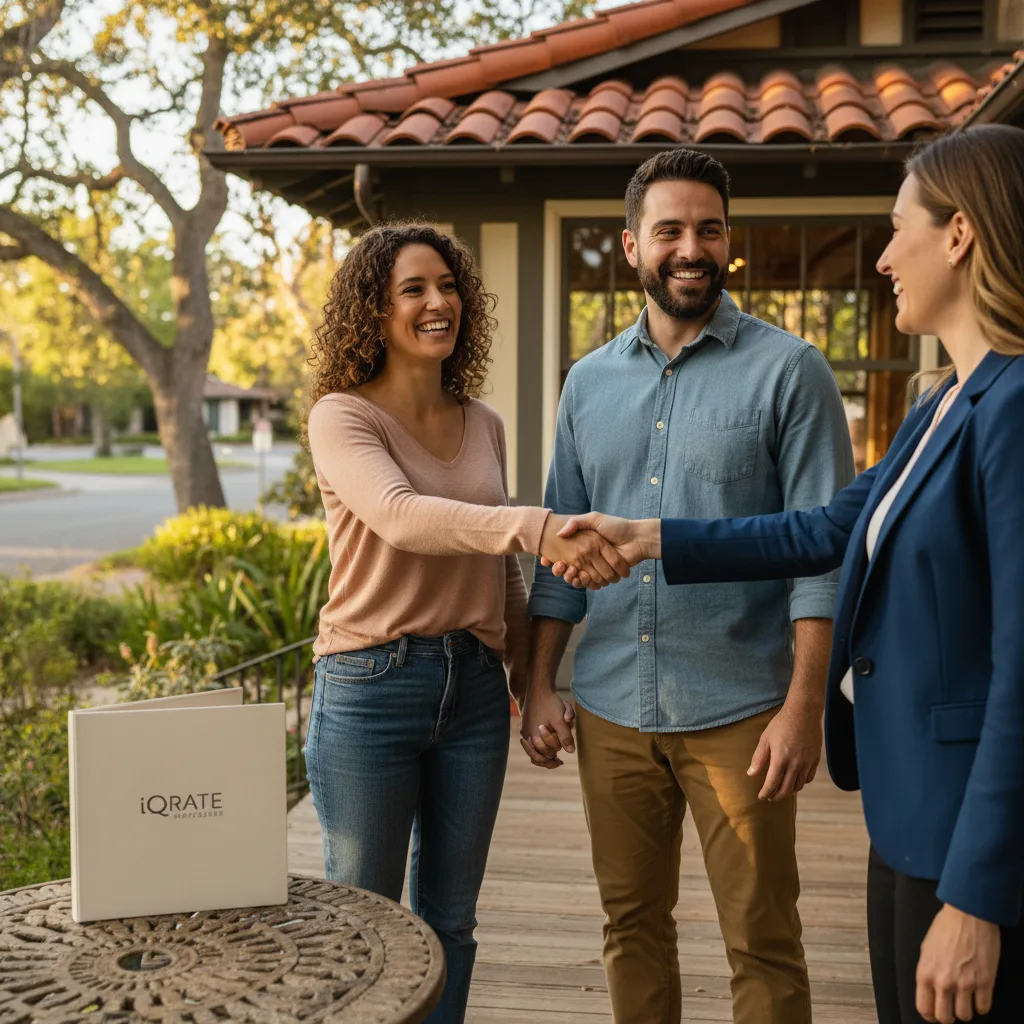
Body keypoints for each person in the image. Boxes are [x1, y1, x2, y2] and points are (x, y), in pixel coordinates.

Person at [548, 124, 1024, 1024]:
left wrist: (980, 892)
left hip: (958, 824)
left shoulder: (1011, 410)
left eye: (897, 229)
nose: (883, 257)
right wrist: (648, 538)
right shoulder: (938, 408)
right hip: (906, 809)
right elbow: (821, 529)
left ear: (958, 236)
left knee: (769, 942)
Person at [521, 149, 856, 1024]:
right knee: (630, 924)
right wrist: (537, 682)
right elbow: (563, 544)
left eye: (708, 229)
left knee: (762, 937)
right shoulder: (586, 385)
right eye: (668, 230)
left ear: (728, 244)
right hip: (611, 709)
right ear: (632, 246)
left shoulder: (792, 372)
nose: (690, 247)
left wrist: (804, 705)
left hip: (742, 710)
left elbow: (821, 555)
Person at [302, 222, 629, 1024]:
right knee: (361, 923)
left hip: (475, 693)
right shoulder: (342, 417)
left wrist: (534, 685)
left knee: (452, 921)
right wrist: (538, 524)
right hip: (370, 686)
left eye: (447, 286)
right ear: (372, 312)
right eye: (412, 289)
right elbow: (403, 518)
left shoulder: (482, 422)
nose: (437, 302)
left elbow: (497, 574)